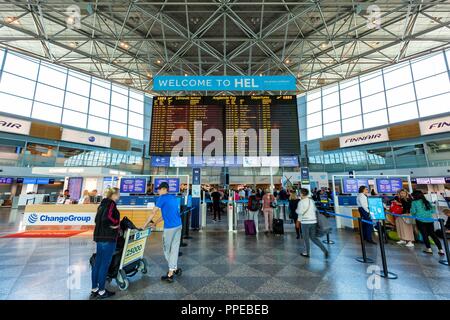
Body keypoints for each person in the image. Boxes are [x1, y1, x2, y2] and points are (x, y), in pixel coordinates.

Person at [143, 182, 183, 282]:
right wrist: (155, 222)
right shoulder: (173, 197)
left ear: (165, 189)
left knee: (166, 250)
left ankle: (171, 273)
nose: (158, 191)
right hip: (178, 225)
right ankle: (174, 268)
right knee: (174, 249)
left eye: (159, 189)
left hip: (170, 228)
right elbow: (166, 214)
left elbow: (153, 212)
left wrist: (144, 225)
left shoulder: (162, 198)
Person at [91, 187, 121, 299]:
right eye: (118, 194)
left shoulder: (102, 204)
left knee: (97, 263)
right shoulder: (111, 204)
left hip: (99, 237)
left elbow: (96, 220)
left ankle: (94, 289)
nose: (119, 196)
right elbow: (107, 218)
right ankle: (102, 291)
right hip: (108, 238)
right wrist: (115, 224)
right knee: (104, 264)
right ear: (113, 195)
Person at [296, 188, 329, 258]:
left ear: (301, 194)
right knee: (314, 238)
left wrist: (298, 221)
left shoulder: (301, 202)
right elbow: (315, 210)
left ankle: (307, 253)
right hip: (313, 221)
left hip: (305, 222)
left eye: (300, 193)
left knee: (306, 238)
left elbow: (300, 213)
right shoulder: (311, 201)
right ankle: (325, 250)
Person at [410, 190, 445, 256]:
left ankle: (428, 249)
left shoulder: (414, 202)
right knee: (433, 234)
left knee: (424, 235)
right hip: (429, 220)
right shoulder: (427, 202)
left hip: (420, 220)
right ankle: (441, 250)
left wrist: (416, 214)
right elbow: (433, 210)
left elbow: (413, 212)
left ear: (415, 196)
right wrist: (426, 213)